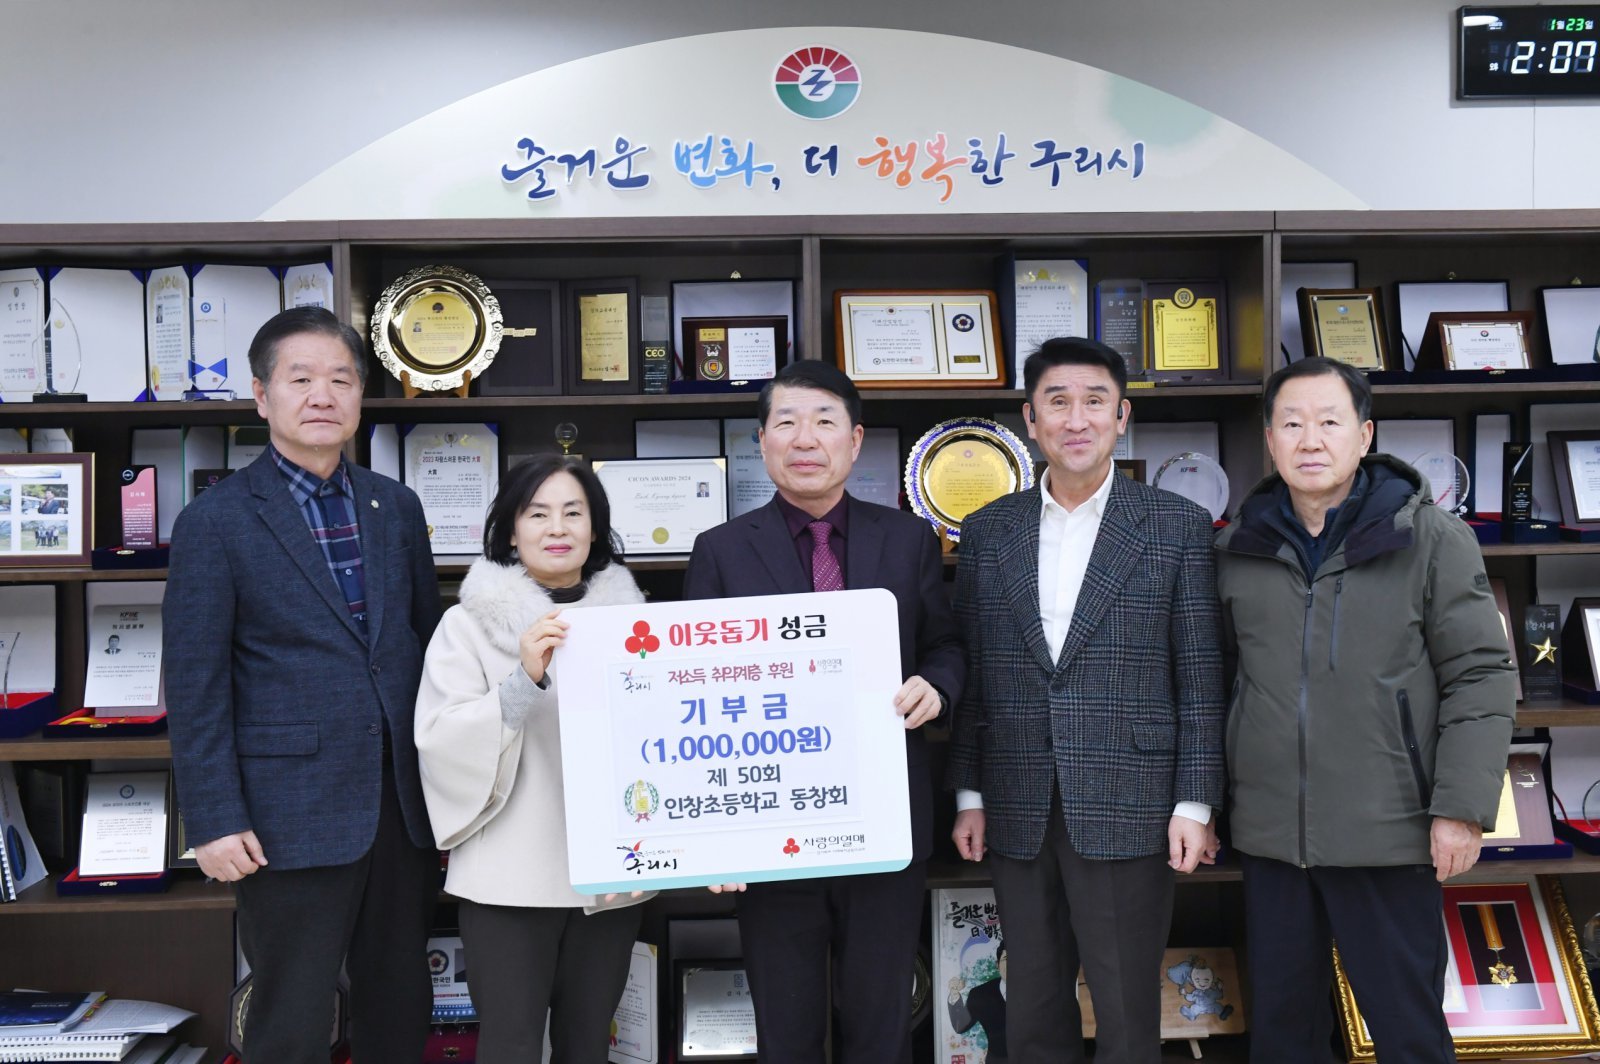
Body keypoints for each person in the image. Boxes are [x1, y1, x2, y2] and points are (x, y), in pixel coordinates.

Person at [1215, 357, 1515, 1063]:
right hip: (1271, 838)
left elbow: (1481, 675)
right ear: (1270, 439)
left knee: (1408, 1032)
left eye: (1329, 421)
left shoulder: (1429, 538)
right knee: (1284, 1035)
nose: (1310, 440)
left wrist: (1460, 808)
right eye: (1292, 424)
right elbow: (1221, 683)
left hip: (1390, 832)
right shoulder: (1237, 548)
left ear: (1364, 434)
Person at [164, 306, 442, 1064]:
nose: (323, 395)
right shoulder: (215, 521)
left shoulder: (396, 507)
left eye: (341, 380)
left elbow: (423, 649)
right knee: (290, 1013)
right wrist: (213, 819)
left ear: (360, 396)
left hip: (400, 807)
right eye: (301, 379)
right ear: (262, 396)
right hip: (285, 815)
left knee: (399, 1004)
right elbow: (195, 683)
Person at [947, 336, 1224, 1064]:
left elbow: (1201, 677)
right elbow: (977, 669)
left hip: (1133, 799)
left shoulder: (1175, 526)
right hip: (1016, 797)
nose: (1077, 419)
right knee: (1033, 1005)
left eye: (1095, 402)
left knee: (1127, 1007)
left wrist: (1195, 802)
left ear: (1122, 417)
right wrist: (969, 793)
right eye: (1058, 402)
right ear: (1030, 419)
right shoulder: (987, 530)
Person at [682, 359, 964, 1064]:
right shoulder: (720, 552)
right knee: (786, 1029)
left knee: (881, 1024)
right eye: (786, 422)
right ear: (762, 441)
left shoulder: (907, 538)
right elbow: (694, 691)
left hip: (883, 818)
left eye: (824, 421)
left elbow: (946, 645)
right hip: (768, 827)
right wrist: (713, 837)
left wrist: (937, 686)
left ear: (855, 439)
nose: (805, 439)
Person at [414, 455, 651, 1063]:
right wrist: (523, 681)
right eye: (537, 513)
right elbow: (439, 741)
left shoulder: (638, 626)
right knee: (510, 1047)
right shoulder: (466, 626)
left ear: (595, 528)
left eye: (574, 512)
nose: (557, 528)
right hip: (507, 880)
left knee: (588, 1044)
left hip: (614, 879)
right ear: (511, 530)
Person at [948, 941, 1009, 1063]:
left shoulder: (1035, 991)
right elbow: (960, 1026)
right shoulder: (980, 994)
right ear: (997, 965)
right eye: (1006, 959)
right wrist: (954, 994)